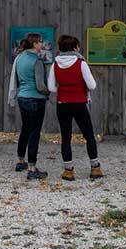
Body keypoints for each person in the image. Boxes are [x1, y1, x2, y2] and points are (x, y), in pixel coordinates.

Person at [48, 34, 103, 181]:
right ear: (74, 47)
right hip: (79, 103)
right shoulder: (81, 63)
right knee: (89, 135)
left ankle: (68, 170)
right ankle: (95, 167)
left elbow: (51, 88)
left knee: (66, 137)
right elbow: (92, 85)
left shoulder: (55, 64)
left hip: (62, 103)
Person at [7, 33, 49, 180]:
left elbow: (17, 79)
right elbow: (40, 85)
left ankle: (20, 160)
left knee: (25, 129)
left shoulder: (19, 58)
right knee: (34, 133)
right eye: (40, 42)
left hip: (22, 97)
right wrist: (48, 91)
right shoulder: (37, 61)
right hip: (35, 99)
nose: (42, 45)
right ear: (35, 44)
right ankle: (32, 167)